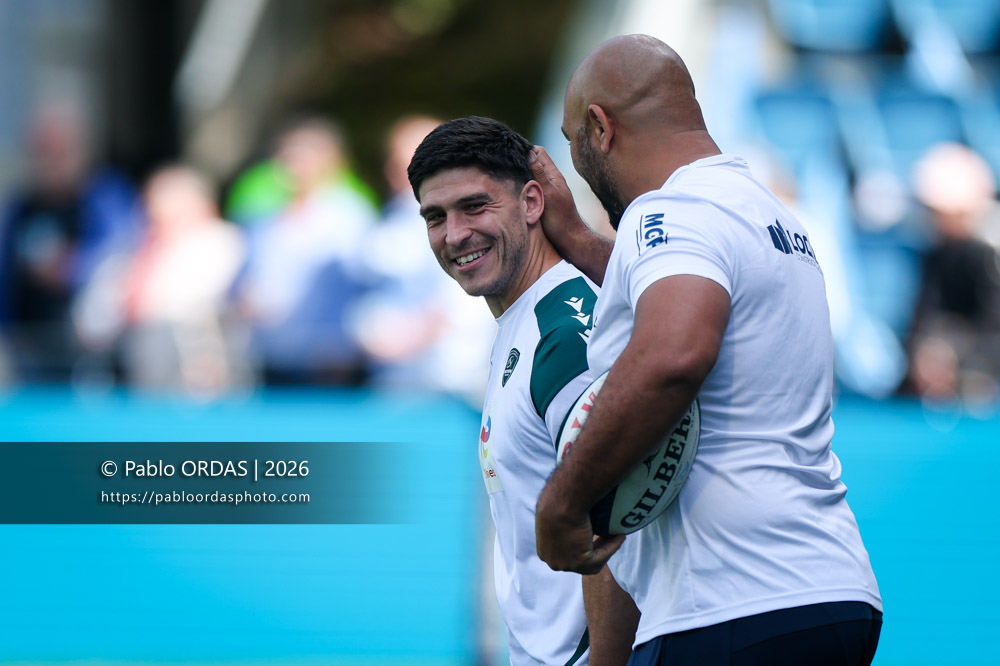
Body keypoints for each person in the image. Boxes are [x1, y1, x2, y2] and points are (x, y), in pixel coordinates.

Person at [531, 35, 882, 665]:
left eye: (572, 141)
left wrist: (563, 501)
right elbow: (681, 291)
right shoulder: (765, 214)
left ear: (599, 128)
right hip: (831, 591)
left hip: (731, 604)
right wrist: (585, 244)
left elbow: (673, 353)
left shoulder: (667, 211)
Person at [407, 116, 636, 666]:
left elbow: (622, 526)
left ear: (531, 202)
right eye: (435, 217)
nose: (455, 234)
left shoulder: (567, 336)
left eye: (475, 206)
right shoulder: (524, 319)